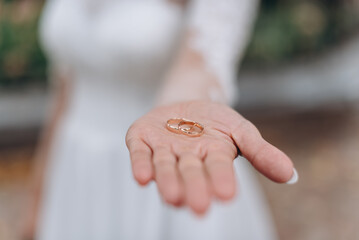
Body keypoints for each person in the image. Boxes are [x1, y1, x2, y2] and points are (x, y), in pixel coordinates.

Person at [23, 0, 298, 239]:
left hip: (165, 162)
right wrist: (39, 198)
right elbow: (66, 87)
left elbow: (201, 63)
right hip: (76, 171)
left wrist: (181, 110)